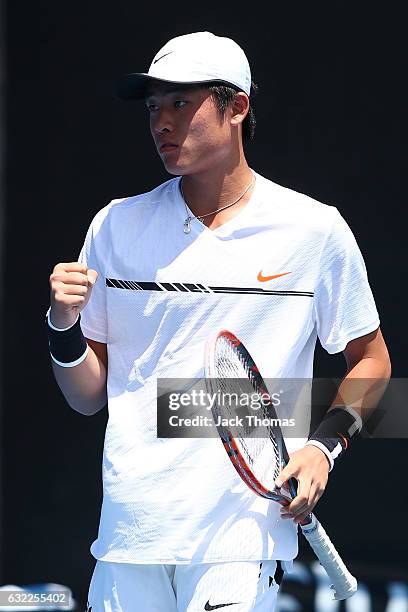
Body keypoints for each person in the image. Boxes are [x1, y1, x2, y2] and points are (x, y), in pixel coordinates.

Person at [47, 32, 391, 612]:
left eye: (181, 103)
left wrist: (323, 448)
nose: (161, 122)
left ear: (238, 107)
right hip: (129, 535)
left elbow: (373, 362)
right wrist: (62, 326)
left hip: (242, 541)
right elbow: (88, 396)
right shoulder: (113, 228)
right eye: (154, 106)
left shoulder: (315, 230)